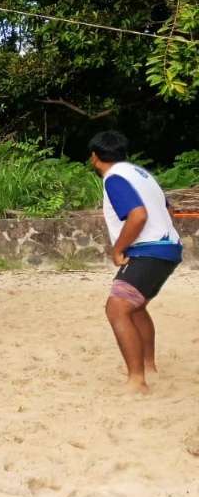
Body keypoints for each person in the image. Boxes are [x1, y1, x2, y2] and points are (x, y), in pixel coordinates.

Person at [89, 130, 183, 394]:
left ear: (95, 157)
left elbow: (138, 215)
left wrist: (118, 249)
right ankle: (148, 365)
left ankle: (137, 380)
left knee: (117, 308)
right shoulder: (142, 174)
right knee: (136, 307)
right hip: (168, 248)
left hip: (149, 250)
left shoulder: (114, 178)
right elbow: (168, 209)